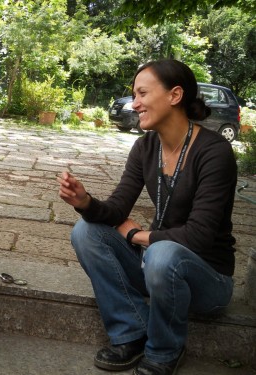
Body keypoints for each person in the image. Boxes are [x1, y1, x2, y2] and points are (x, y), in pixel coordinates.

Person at [58, 59, 237, 375]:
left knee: (161, 253)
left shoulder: (214, 152)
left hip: (207, 278)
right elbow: (116, 210)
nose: (135, 103)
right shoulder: (145, 147)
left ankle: (165, 350)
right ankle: (132, 331)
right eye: (134, 95)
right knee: (86, 232)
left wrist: (136, 235)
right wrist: (85, 201)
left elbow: (197, 236)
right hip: (157, 266)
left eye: (142, 93)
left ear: (175, 95)